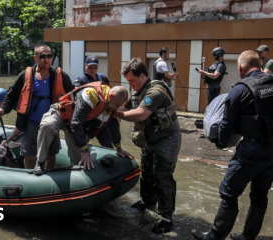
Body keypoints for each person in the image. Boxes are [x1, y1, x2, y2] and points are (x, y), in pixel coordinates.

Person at [192, 51, 273, 240]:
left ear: (240, 68)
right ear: (260, 65)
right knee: (260, 194)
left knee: (228, 192)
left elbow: (226, 126)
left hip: (251, 150)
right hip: (271, 151)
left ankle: (215, 236)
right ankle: (247, 236)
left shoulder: (240, 89)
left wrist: (220, 142)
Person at [117, 58, 181, 233]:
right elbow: (126, 107)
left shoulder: (155, 91)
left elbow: (139, 114)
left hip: (167, 139)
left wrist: (114, 112)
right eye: (128, 81)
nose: (130, 84)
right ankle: (147, 202)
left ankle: (166, 217)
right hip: (150, 139)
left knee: (163, 177)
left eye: (132, 80)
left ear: (143, 75)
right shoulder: (138, 90)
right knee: (146, 172)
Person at [0, 44, 74, 169]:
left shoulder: (60, 75)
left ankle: (49, 181)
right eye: (43, 56)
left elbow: (72, 95)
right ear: (35, 58)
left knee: (50, 155)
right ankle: (29, 178)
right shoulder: (25, 75)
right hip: (30, 123)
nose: (46, 59)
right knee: (30, 156)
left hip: (51, 123)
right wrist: (4, 109)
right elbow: (11, 95)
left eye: (49, 56)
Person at [34, 82, 133, 174]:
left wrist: (119, 149)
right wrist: (84, 150)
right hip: (62, 114)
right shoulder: (91, 95)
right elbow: (76, 123)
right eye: (116, 105)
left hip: (77, 127)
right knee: (48, 125)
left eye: (119, 107)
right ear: (110, 96)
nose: (116, 109)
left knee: (80, 164)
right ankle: (40, 162)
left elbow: (114, 128)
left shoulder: (112, 105)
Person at [74, 55, 113, 148]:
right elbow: (76, 96)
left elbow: (110, 94)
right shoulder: (81, 80)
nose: (93, 70)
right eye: (90, 67)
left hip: (101, 115)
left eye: (95, 68)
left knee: (107, 142)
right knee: (83, 141)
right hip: (87, 117)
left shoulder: (102, 77)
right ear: (85, 66)